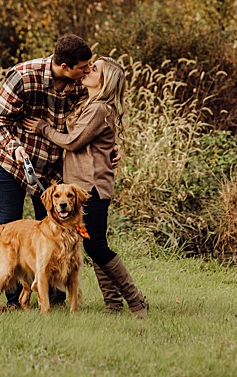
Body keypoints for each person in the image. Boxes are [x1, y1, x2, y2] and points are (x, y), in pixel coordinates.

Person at [29, 56, 148, 318]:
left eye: (95, 70)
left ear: (105, 82)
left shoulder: (98, 109)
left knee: (95, 246)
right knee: (92, 243)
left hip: (91, 189)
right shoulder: (90, 105)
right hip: (84, 189)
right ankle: (113, 304)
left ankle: (136, 299)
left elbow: (72, 141)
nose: (88, 70)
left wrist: (43, 128)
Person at [0, 34, 91, 311]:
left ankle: (53, 298)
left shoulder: (79, 84)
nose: (87, 71)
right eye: (82, 66)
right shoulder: (23, 76)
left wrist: (109, 148)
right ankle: (14, 302)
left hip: (50, 172)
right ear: (65, 66)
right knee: (11, 231)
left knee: (52, 233)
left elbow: (88, 124)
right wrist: (15, 148)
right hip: (11, 166)